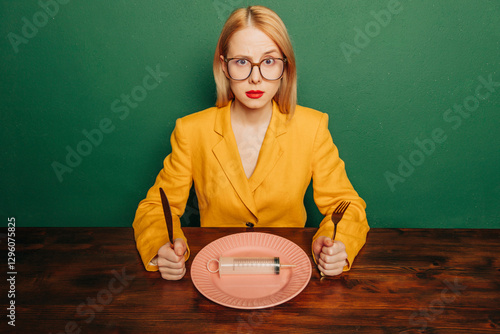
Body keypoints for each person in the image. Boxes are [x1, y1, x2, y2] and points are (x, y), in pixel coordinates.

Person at [132, 5, 369, 280]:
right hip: (217, 270)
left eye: (268, 61)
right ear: (224, 66)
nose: (255, 77)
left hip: (288, 271)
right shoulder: (191, 130)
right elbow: (154, 207)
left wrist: (335, 243)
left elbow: (347, 204)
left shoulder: (312, 127)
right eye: (242, 61)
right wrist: (162, 246)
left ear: (285, 66)